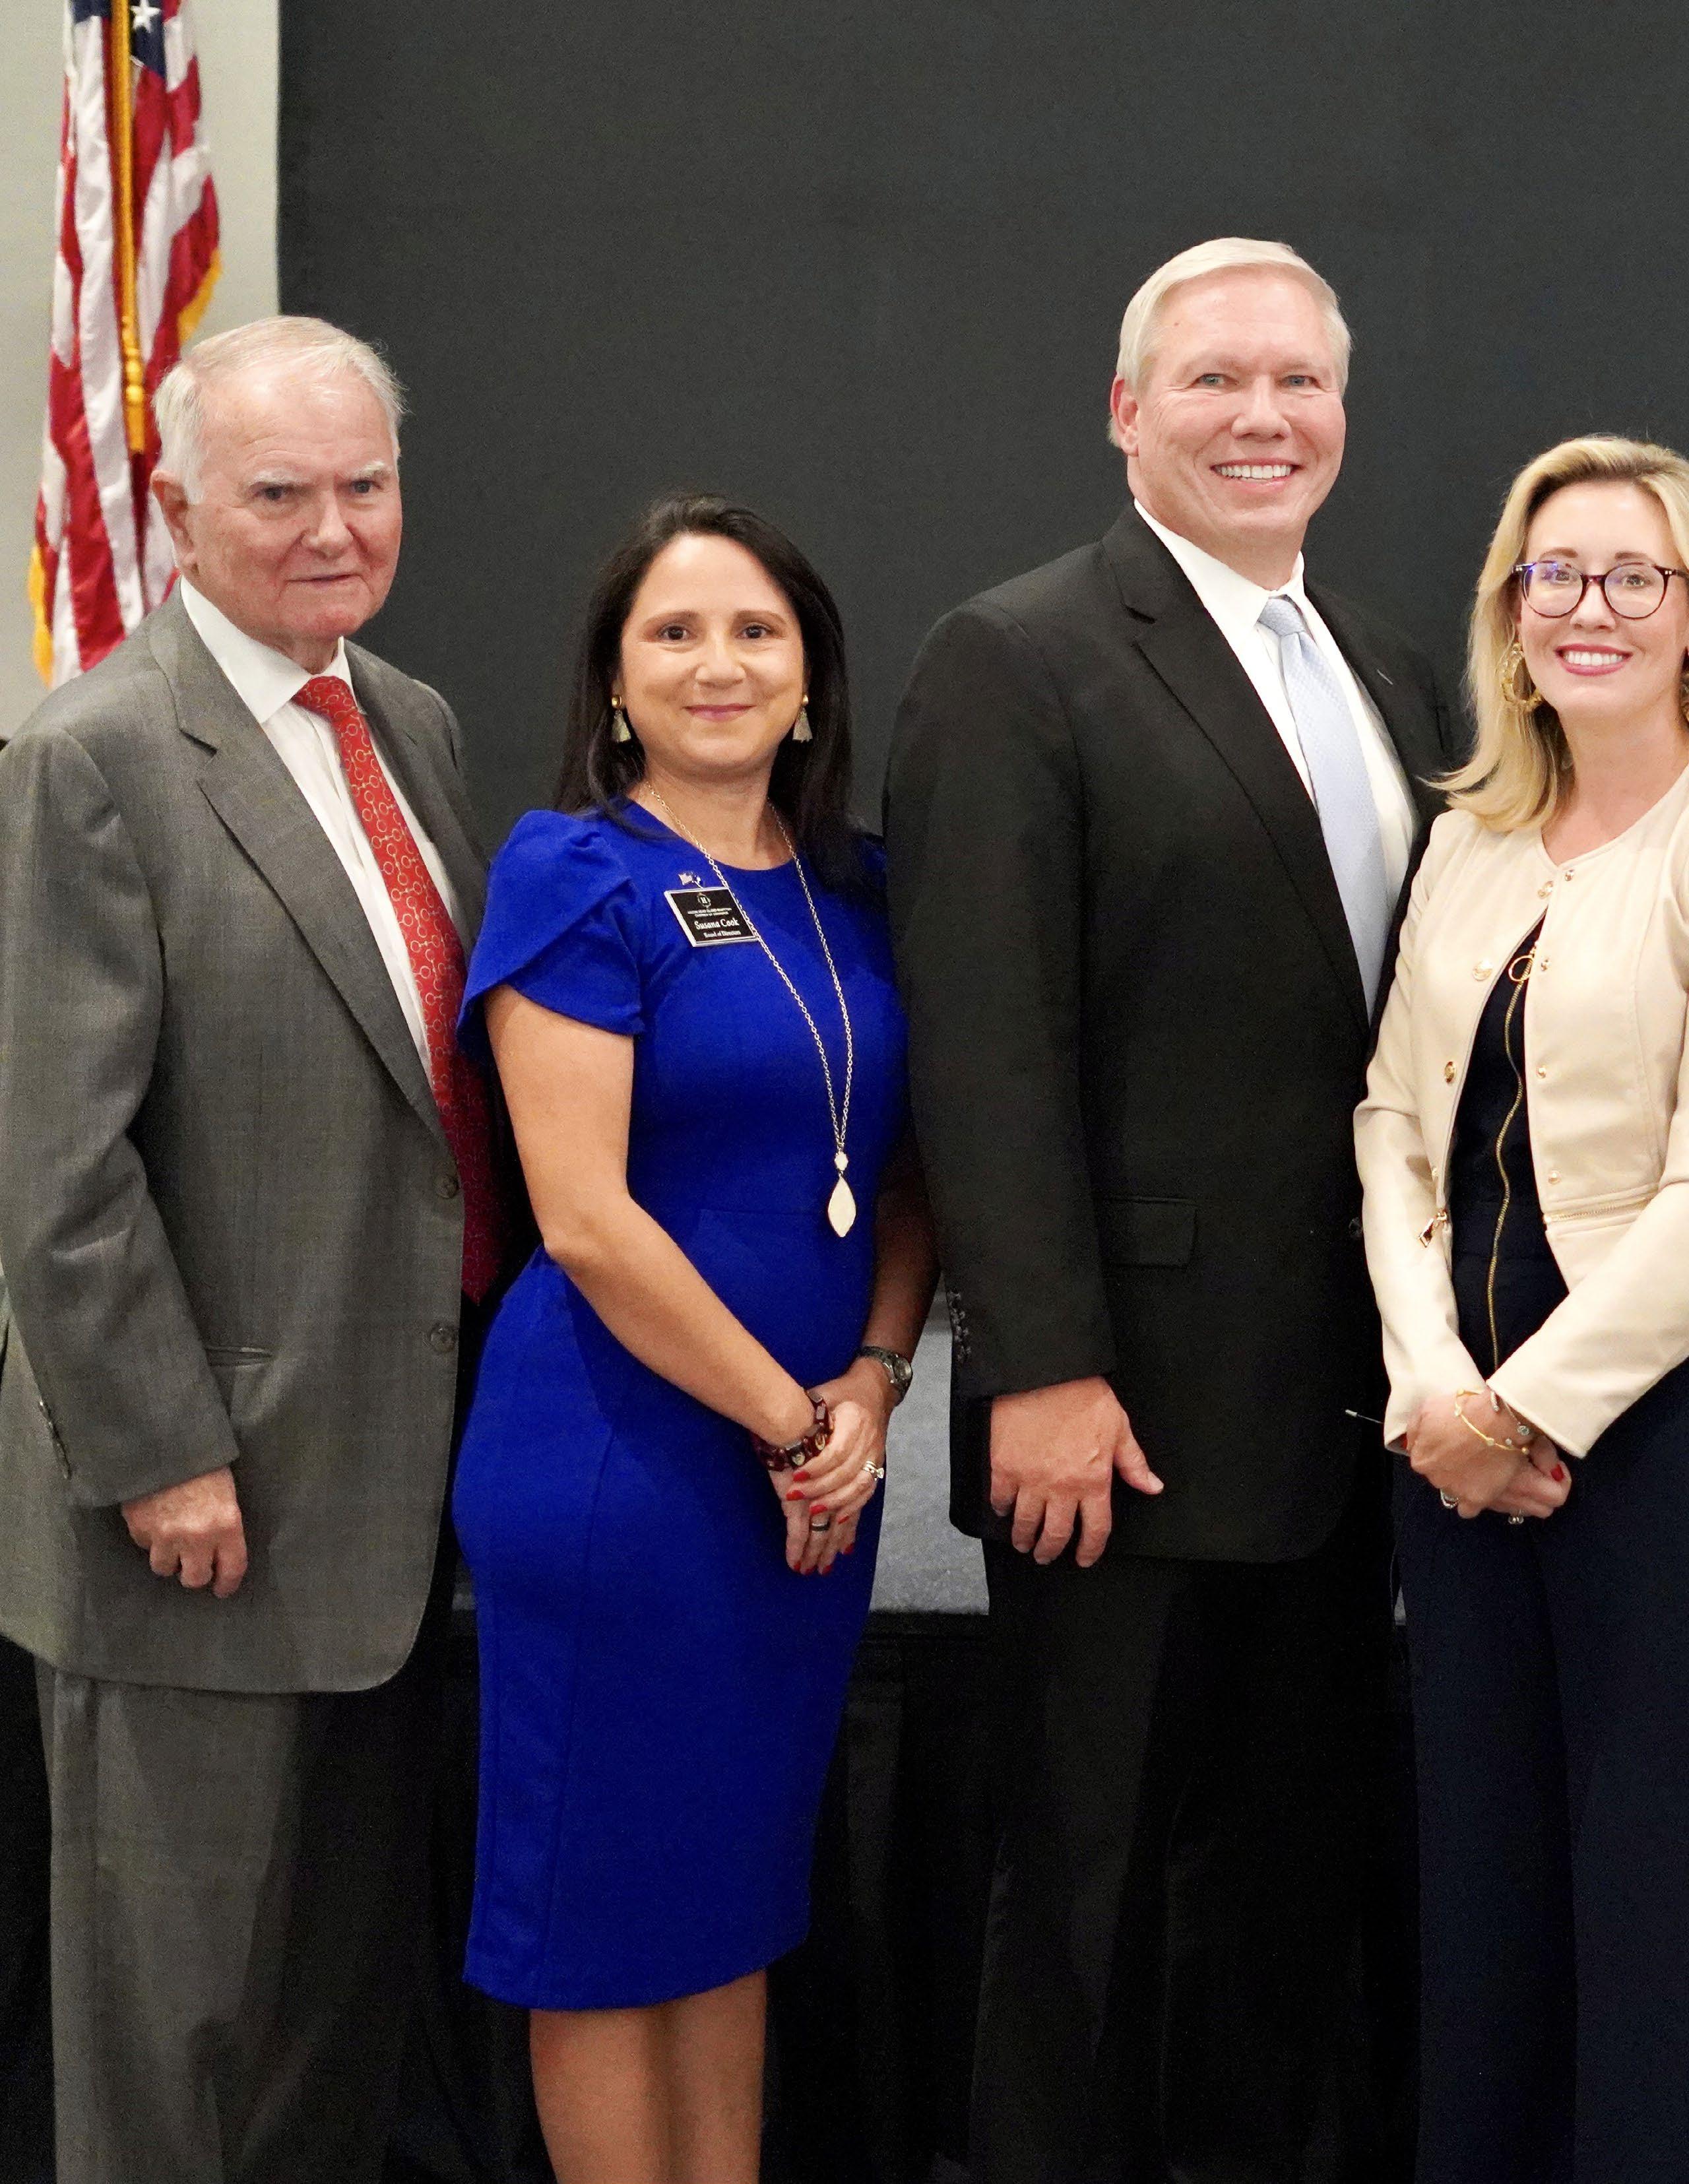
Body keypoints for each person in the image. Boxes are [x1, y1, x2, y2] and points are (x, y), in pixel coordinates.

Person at [885, 238, 1459, 2183]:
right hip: (1116, 1418)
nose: (1261, 415)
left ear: (1343, 414)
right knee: (1088, 1898)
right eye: (1214, 379)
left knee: (1282, 1907)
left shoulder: (1386, 663)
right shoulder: (1017, 654)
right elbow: (986, 1043)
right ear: (1127, 411)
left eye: (1298, 381)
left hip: (1349, 1417)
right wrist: (1041, 1366)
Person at [0, 316, 504, 2184]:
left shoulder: (411, 721)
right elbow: (57, 1167)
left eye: (365, 485)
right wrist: (161, 1452)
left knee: (326, 2034)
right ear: (177, 504)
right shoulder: (93, 755)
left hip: (390, 1500)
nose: (332, 529)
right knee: (178, 2044)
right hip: (194, 1517)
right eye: (279, 492)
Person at [452, 491, 936, 2184]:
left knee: (730, 1896)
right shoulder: (573, 869)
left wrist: (872, 1382)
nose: (715, 661)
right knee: (602, 1917)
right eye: (672, 630)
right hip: (620, 1464)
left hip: (809, 1473)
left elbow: (910, 1176)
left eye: (753, 630)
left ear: (808, 679)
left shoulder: (863, 887)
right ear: (614, 680)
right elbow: (583, 1216)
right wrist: (788, 1424)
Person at [1356, 434, 1689, 2182]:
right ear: (1508, 609)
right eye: (1552, 573)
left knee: (1647, 1894)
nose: (1589, 609)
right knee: (1484, 1887)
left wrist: (1530, 1405)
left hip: (1647, 1441)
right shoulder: (1469, 840)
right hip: (1454, 1447)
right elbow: (1390, 1124)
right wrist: (1436, 1387)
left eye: (1635, 574)